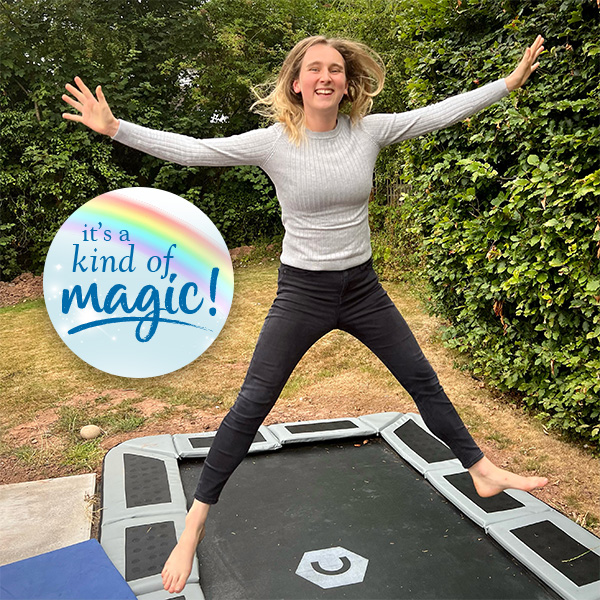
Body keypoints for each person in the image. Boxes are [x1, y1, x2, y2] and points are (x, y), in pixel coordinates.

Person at [62, 34, 548, 594]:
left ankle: (481, 472)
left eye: (336, 69)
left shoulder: (370, 131)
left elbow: (439, 114)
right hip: (303, 293)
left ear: (348, 82)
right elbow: (195, 149)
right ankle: (194, 524)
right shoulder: (274, 142)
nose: (326, 77)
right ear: (297, 83)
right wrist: (117, 129)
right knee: (252, 403)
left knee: (421, 378)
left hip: (363, 289)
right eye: (314, 69)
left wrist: (506, 84)